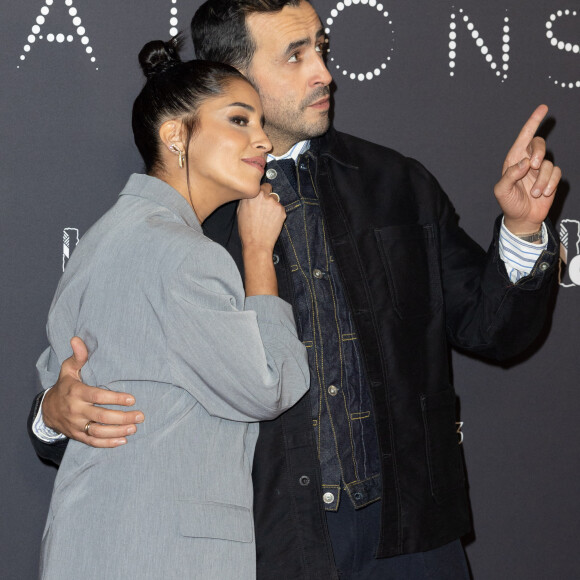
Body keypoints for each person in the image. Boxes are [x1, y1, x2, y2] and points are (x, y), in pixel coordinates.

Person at [29, 1, 561, 578]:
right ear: (235, 73)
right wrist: (51, 414)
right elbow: (91, 390)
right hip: (267, 543)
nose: (324, 73)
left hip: (412, 535)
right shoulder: (184, 222)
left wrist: (523, 230)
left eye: (321, 48)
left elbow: (493, 329)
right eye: (295, 55)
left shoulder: (395, 183)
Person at [35, 37, 309, 580]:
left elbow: (57, 380)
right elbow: (270, 385)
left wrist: (49, 411)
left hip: (90, 540)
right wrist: (258, 255)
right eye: (239, 120)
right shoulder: (186, 256)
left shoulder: (101, 240)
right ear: (175, 134)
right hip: (166, 553)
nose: (263, 141)